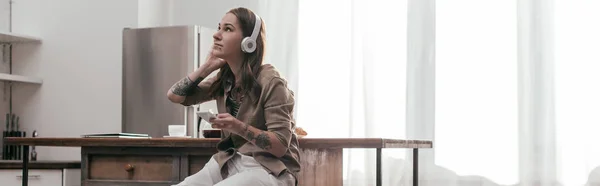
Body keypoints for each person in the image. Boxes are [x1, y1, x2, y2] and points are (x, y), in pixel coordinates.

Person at [167, 7, 300, 186]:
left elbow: (280, 145)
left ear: (248, 42)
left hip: (270, 170)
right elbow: (175, 96)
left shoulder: (272, 81)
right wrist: (207, 66)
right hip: (230, 162)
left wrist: (237, 126)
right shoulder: (224, 80)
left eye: (228, 29)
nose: (216, 35)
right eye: (219, 27)